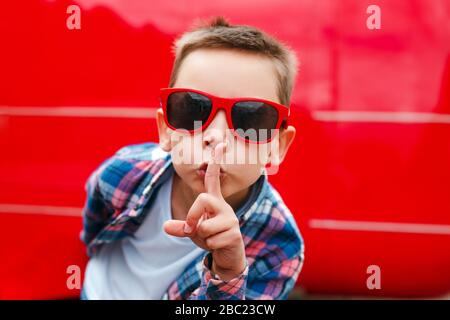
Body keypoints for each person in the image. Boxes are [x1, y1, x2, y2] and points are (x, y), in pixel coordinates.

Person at [80, 16, 304, 300]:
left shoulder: (279, 246)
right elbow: (93, 226)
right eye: (192, 109)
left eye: (251, 116)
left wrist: (228, 273)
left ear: (277, 146)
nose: (216, 136)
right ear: (165, 129)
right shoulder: (124, 171)